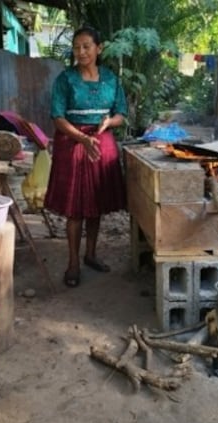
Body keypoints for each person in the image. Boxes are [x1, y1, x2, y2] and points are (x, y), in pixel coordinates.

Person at [44, 25, 128, 288]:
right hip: (72, 143)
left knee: (96, 204)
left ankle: (91, 254)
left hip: (102, 142)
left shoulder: (111, 79)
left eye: (86, 46)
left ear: (98, 48)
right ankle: (72, 262)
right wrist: (81, 138)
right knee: (75, 208)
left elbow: (121, 114)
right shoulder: (65, 79)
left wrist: (108, 122)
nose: (80, 52)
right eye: (77, 47)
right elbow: (57, 117)